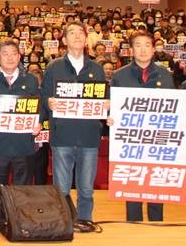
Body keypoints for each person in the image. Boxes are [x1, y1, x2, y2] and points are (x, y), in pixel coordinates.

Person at [41, 21, 106, 233]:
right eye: (72, 33)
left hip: (89, 136)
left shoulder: (96, 68)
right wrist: (48, 103)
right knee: (62, 186)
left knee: (86, 187)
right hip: (63, 135)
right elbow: (44, 96)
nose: (77, 36)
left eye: (81, 33)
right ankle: (64, 221)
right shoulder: (54, 67)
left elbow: (104, 98)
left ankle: (85, 219)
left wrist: (107, 105)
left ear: (86, 39)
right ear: (64, 40)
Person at [108, 30, 174, 222]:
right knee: (133, 186)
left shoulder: (165, 75)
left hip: (157, 140)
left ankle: (157, 225)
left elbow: (173, 106)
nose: (143, 49)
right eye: (138, 45)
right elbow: (113, 105)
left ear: (153, 49)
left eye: (147, 45)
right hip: (131, 142)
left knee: (155, 185)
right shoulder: (120, 76)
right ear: (131, 50)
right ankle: (133, 226)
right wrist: (111, 117)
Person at [0, 38, 41, 221]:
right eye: (5, 54)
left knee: (23, 189)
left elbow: (39, 107)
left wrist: (39, 123)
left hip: (24, 146)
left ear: (20, 56)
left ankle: (22, 223)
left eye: (14, 54)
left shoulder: (30, 80)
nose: (10, 58)